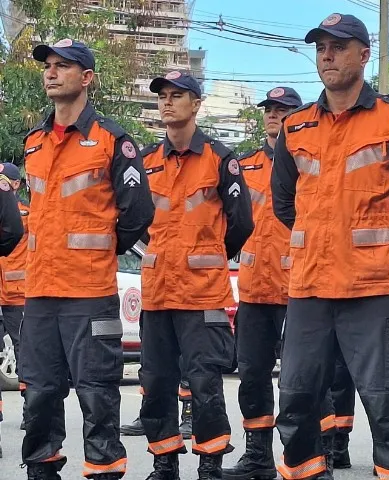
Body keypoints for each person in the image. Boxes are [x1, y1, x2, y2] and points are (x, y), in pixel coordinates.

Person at [271, 13, 389, 480]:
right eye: (321, 47)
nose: (327, 55)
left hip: (374, 288)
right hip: (309, 288)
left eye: (339, 46)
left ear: (364, 54)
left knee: (388, 404)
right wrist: (321, 239)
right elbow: (284, 203)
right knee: (295, 400)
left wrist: (385, 236)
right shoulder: (296, 126)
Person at [21, 38, 152, 479]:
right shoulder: (34, 142)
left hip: (88, 293)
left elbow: (137, 213)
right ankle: (41, 469)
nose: (52, 72)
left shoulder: (113, 141)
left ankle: (103, 471)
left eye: (64, 66)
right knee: (38, 393)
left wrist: (99, 251)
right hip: (39, 292)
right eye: (48, 66)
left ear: (87, 78)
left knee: (97, 394)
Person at [138, 71, 254, 480]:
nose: (167, 103)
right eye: (163, 96)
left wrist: (208, 255)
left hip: (202, 293)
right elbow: (135, 218)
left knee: (205, 385)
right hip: (156, 292)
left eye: (177, 96)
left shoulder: (221, 160)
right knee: (155, 382)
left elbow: (241, 223)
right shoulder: (147, 161)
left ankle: (209, 462)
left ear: (196, 105)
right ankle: (164, 462)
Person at [222, 85, 300, 480]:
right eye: (269, 109)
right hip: (254, 290)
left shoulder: (307, 161)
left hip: (298, 289)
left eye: (283, 109)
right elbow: (231, 221)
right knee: (251, 375)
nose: (274, 114)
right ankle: (257, 455)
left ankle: (304, 456)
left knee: (299, 380)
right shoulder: (246, 164)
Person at [0, 162, 26, 458]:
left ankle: (30, 408)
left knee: (24, 353)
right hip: (4, 292)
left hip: (19, 294)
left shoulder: (27, 215)